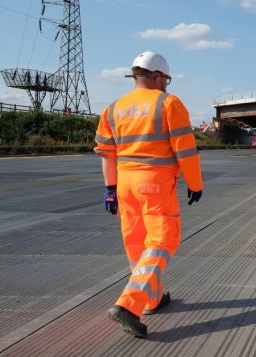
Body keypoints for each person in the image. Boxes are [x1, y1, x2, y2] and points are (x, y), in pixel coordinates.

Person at [94, 51, 203, 338]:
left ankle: (151, 299)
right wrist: (195, 182)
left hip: (125, 183)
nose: (166, 84)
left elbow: (106, 152)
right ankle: (129, 305)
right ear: (156, 77)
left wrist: (109, 188)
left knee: (136, 244)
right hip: (155, 182)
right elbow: (185, 149)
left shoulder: (114, 107)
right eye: (165, 79)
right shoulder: (168, 103)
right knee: (163, 240)